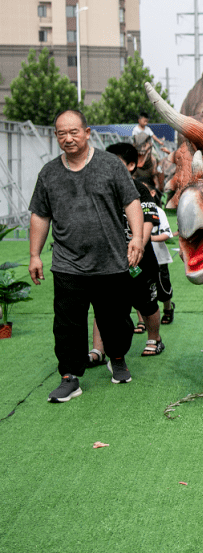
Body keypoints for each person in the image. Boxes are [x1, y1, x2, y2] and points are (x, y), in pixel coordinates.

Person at [29, 110, 144, 402]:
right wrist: (35, 255)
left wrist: (138, 239)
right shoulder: (49, 174)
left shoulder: (109, 165)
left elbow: (131, 202)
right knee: (67, 325)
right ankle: (70, 377)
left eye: (73, 132)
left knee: (116, 321)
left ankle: (116, 357)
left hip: (111, 261)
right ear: (56, 136)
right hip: (67, 264)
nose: (68, 138)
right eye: (61, 134)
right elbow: (40, 215)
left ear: (87, 132)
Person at [106, 143, 166, 357]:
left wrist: (139, 242)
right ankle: (99, 348)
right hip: (111, 259)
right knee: (106, 306)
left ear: (132, 165)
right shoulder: (103, 191)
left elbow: (149, 219)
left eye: (117, 163)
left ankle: (154, 338)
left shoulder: (139, 189)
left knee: (147, 303)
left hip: (140, 259)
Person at [150, 202, 177, 324]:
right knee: (141, 290)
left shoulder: (157, 211)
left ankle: (168, 308)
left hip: (159, 257)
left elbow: (166, 233)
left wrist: (146, 237)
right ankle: (142, 320)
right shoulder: (128, 209)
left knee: (163, 287)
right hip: (138, 257)